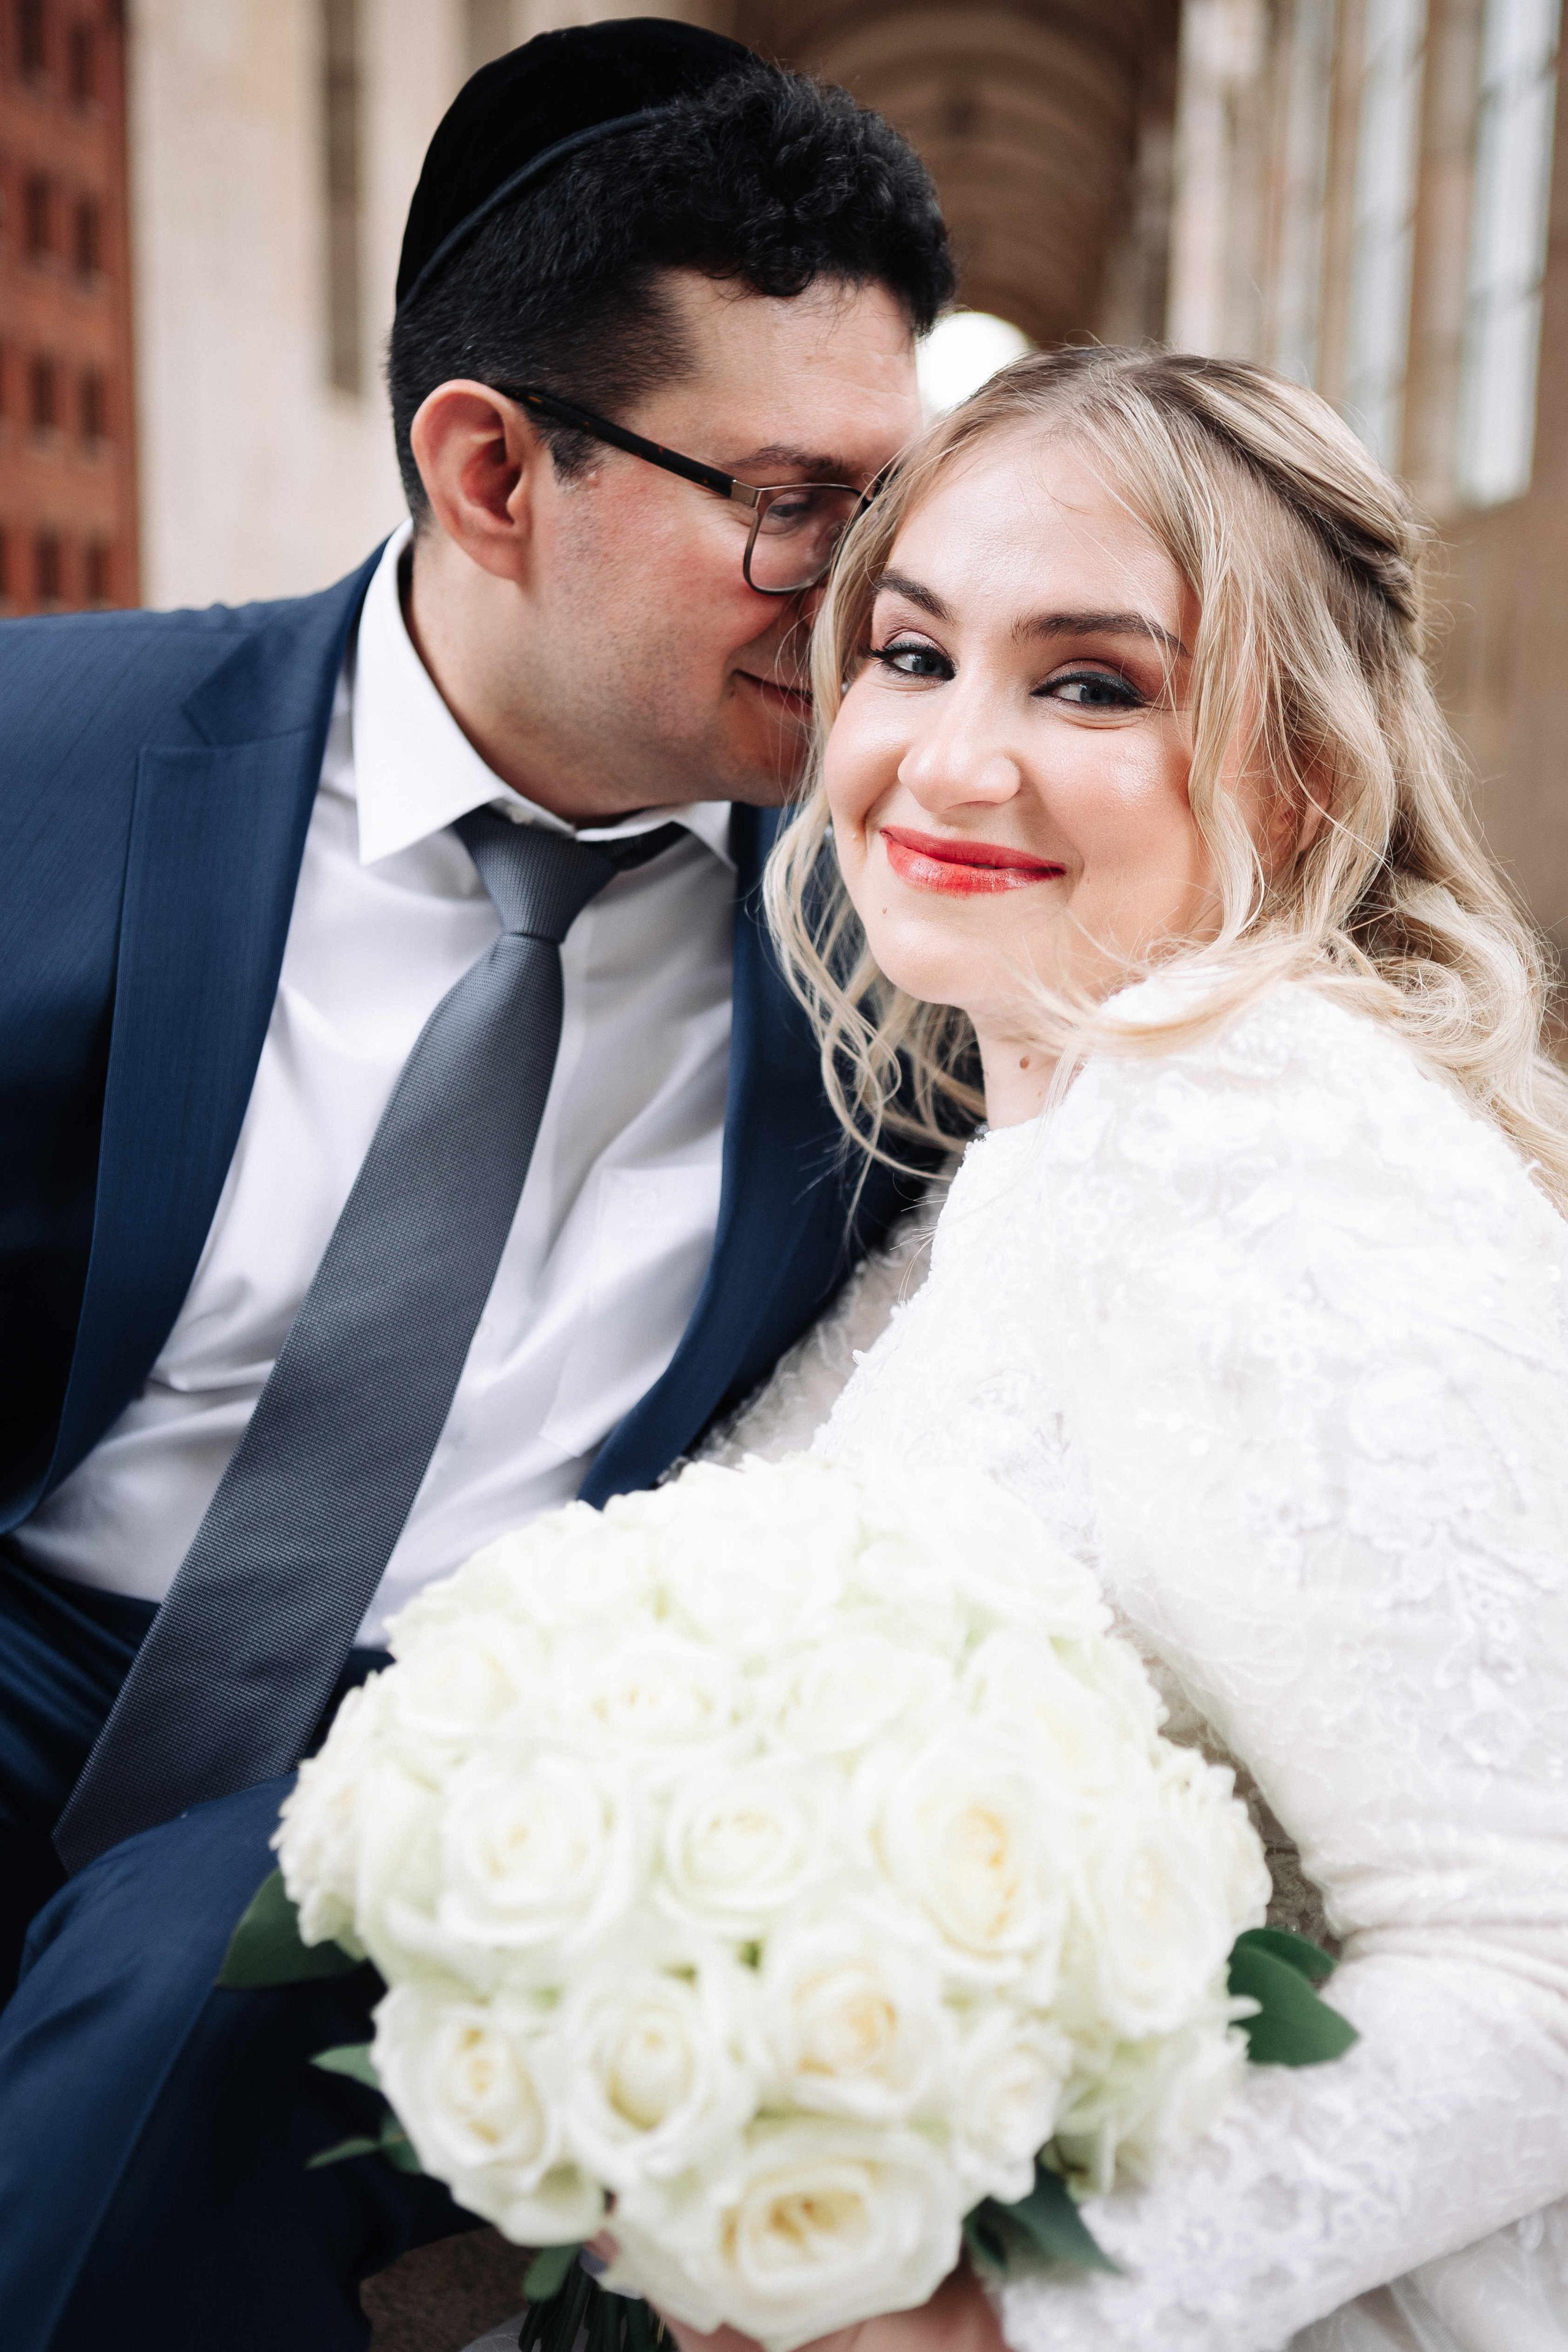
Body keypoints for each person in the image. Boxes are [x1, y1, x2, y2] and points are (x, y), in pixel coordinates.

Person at [0, 20, 952, 2347]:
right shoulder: (52, 756)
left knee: (163, 2037)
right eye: (792, 502)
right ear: (496, 466)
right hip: (33, 1630)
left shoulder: (912, 938)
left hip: (441, 1769)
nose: (857, 601)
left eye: (892, 510)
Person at [680, 345, 1568, 2351]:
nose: (954, 760)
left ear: (1298, 773)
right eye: (911, 656)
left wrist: (1000, 2321)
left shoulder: (1269, 1150)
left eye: (1091, 685)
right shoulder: (1061, 1133)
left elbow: (1540, 1956)